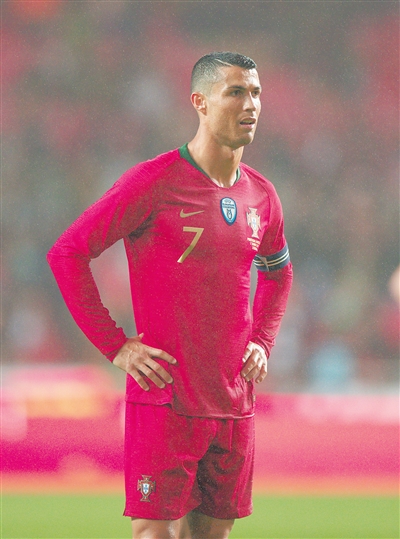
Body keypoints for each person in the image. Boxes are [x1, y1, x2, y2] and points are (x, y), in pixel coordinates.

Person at [47, 52, 293, 539]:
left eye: (256, 93)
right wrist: (116, 345)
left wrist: (262, 342)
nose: (250, 104)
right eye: (236, 92)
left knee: (212, 535)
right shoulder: (153, 182)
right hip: (166, 399)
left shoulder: (262, 195)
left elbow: (278, 274)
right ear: (200, 102)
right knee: (153, 532)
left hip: (234, 401)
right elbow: (68, 253)